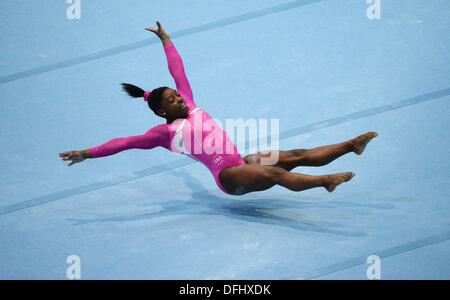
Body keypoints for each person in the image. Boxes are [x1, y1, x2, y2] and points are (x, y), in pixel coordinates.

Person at [59, 21, 378, 196]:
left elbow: (177, 71)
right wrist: (88, 152)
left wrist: (166, 41)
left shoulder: (190, 104)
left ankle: (351, 146)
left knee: (295, 155)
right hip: (228, 176)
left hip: (242, 159)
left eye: (178, 96)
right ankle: (325, 182)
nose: (180, 99)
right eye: (173, 101)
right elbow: (124, 144)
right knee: (274, 173)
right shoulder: (164, 133)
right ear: (161, 112)